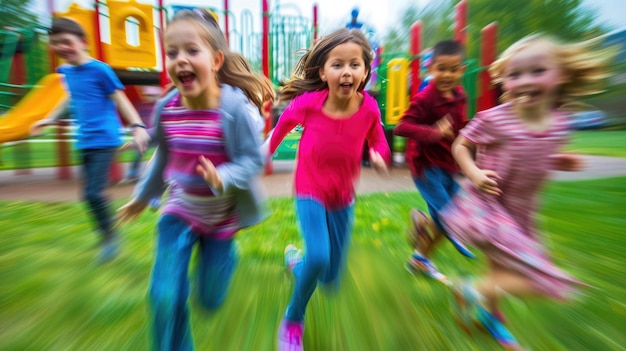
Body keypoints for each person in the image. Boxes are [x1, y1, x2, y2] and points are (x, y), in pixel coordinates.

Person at [440, 34, 613, 349]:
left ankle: (490, 315)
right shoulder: (495, 120)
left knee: (501, 267)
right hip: (488, 206)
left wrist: (560, 161)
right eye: (515, 74)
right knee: (542, 279)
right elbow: (461, 145)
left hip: (522, 212)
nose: (525, 81)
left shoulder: (559, 123)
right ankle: (473, 291)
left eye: (537, 71)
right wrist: (475, 173)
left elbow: (534, 154)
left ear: (560, 74)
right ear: (505, 81)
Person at [116, 9, 274, 351]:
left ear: (216, 60)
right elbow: (162, 154)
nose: (180, 60)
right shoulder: (168, 108)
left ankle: (222, 262)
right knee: (164, 296)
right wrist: (142, 196)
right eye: (172, 53)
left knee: (210, 299)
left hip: (221, 220)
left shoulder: (233, 110)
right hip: (179, 211)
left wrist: (223, 176)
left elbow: (251, 160)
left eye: (191, 51)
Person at [268, 28, 391, 351]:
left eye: (354, 64)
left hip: (343, 196)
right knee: (320, 257)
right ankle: (293, 319)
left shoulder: (369, 109)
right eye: (337, 65)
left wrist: (380, 155)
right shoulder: (308, 103)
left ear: (365, 72)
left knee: (329, 279)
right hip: (310, 188)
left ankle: (297, 263)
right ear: (323, 72)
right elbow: (282, 126)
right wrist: (264, 152)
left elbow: (378, 139)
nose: (346, 71)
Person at [32, 17, 150, 262]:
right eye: (55, 44)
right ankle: (105, 226)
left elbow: (120, 100)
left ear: (83, 42)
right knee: (89, 194)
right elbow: (69, 97)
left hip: (105, 139)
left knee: (94, 193)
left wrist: (137, 126)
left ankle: (110, 238)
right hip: (84, 140)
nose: (62, 47)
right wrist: (50, 118)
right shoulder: (65, 71)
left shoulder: (100, 70)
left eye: (66, 42)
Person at [393, 40, 474, 282]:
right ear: (431, 70)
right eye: (441, 68)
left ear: (462, 70)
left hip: (447, 165)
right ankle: (430, 240)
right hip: (425, 166)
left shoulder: (460, 96)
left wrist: (468, 153)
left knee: (446, 216)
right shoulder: (426, 98)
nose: (447, 74)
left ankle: (420, 256)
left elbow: (461, 130)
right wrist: (434, 133)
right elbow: (402, 126)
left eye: (453, 69)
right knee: (449, 216)